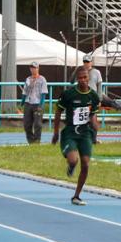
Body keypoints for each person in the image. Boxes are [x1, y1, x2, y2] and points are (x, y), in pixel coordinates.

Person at [51, 66, 100, 206]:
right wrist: (55, 133)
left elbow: (93, 114)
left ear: (88, 78)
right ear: (77, 79)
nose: (83, 80)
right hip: (70, 133)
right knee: (74, 160)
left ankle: (76, 196)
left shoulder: (93, 96)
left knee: (85, 164)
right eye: (80, 78)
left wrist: (95, 125)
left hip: (85, 134)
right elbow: (58, 112)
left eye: (85, 77)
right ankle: (71, 166)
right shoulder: (68, 94)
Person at [20, 62, 47, 144]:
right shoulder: (28, 79)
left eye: (34, 68)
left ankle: (37, 141)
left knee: (37, 124)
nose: (33, 69)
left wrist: (41, 105)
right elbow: (24, 92)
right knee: (26, 124)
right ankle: (31, 141)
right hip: (28, 103)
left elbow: (44, 93)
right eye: (31, 68)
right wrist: (22, 103)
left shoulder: (42, 79)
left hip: (37, 103)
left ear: (38, 68)